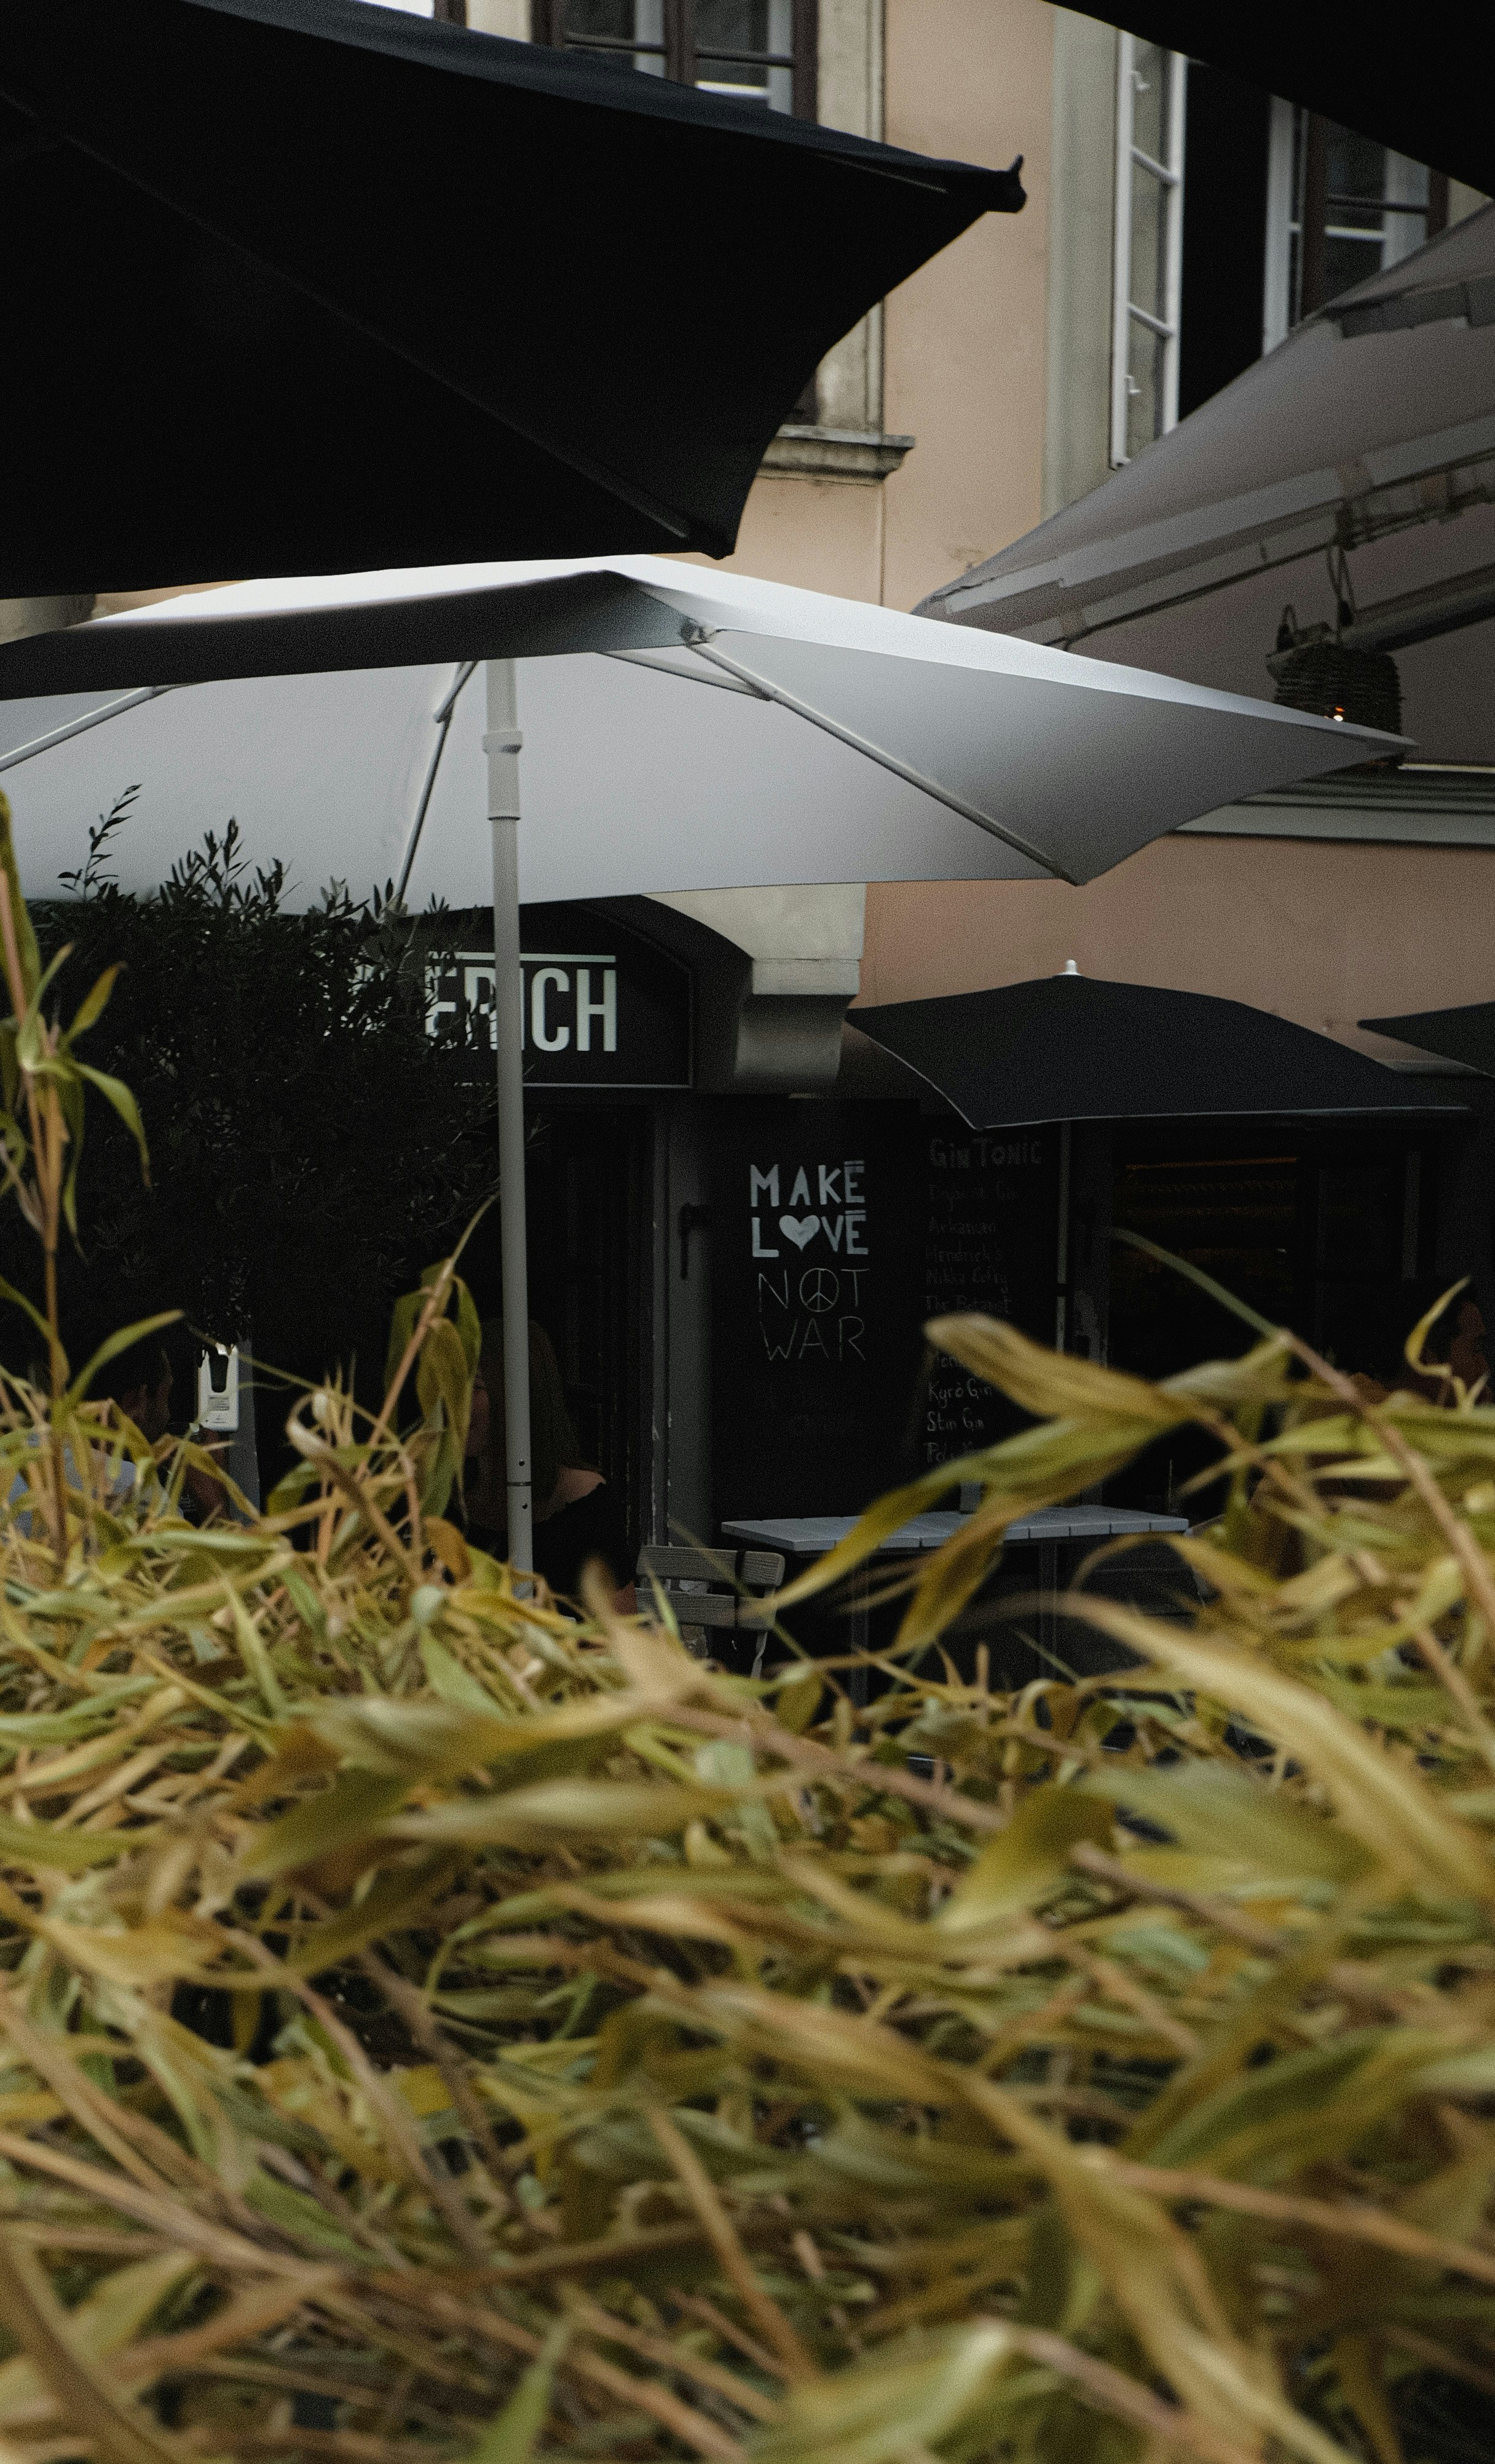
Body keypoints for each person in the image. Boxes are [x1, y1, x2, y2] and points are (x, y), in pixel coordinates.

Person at [463, 1318, 636, 1610]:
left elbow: (617, 1636)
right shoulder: (450, 1497)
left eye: (476, 1386)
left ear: (517, 1395)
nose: (457, 1401)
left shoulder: (585, 1506)